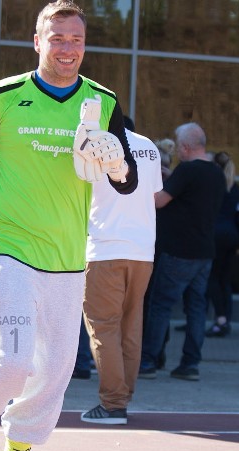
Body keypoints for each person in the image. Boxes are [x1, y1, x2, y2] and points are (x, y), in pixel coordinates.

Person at [0, 0, 137, 451]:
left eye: (75, 39)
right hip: (8, 246)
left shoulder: (103, 103)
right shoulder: (4, 96)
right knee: (12, 362)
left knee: (54, 371)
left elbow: (127, 181)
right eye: (57, 39)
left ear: (84, 45)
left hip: (68, 256)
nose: (67, 48)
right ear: (38, 43)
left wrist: (115, 161)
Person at [80, 117, 162, 425]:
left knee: (104, 328)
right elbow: (152, 196)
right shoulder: (149, 147)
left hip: (105, 248)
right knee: (131, 327)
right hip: (142, 251)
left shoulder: (94, 147)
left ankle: (113, 404)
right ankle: (122, 398)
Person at [139, 122, 225, 381]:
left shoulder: (187, 170)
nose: (176, 149)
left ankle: (148, 361)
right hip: (204, 252)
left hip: (179, 251)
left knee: (160, 306)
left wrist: (147, 179)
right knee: (196, 309)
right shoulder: (216, 172)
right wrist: (170, 176)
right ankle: (190, 364)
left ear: (186, 147)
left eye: (178, 145)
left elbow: (159, 200)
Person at [204, 151, 239, 338]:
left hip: (216, 235)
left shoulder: (214, 185)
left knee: (212, 278)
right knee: (225, 279)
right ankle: (225, 319)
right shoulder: (234, 187)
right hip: (232, 235)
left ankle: (220, 320)